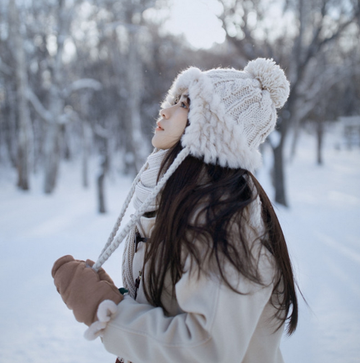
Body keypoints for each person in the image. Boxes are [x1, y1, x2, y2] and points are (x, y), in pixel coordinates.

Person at [52, 58, 299, 363]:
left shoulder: (224, 215)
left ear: (211, 126)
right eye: (175, 99)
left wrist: (106, 312)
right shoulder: (180, 199)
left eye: (185, 104)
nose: (165, 109)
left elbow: (206, 349)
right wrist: (120, 301)